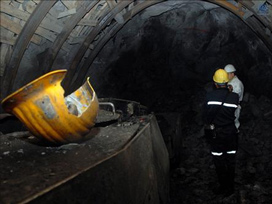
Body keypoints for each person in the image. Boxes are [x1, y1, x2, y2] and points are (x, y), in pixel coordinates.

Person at [203, 69, 239, 197]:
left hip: (216, 134)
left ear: (215, 83)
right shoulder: (234, 97)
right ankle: (231, 187)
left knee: (219, 160)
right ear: (227, 82)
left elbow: (206, 116)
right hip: (230, 133)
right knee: (230, 160)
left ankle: (223, 186)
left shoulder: (209, 96)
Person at [224, 64, 244, 130]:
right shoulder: (230, 81)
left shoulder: (237, 84)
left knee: (234, 123)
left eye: (227, 74)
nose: (225, 75)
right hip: (229, 106)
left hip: (234, 107)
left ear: (232, 74)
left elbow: (234, 98)